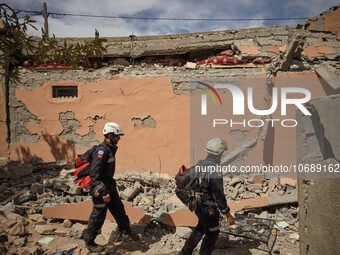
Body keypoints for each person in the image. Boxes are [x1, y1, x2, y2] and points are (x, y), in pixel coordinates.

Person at [179, 138, 235, 255]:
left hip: (198, 205)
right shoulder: (215, 171)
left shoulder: (200, 164)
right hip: (209, 209)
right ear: (219, 154)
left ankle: (184, 253)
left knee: (200, 228)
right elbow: (218, 195)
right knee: (212, 234)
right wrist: (228, 214)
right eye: (222, 152)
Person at [83, 122, 132, 253]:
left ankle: (125, 232)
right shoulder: (102, 150)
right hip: (101, 189)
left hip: (109, 186)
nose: (119, 138)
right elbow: (94, 174)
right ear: (110, 135)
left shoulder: (110, 149)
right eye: (117, 136)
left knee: (119, 209)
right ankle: (89, 242)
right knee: (98, 215)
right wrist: (103, 191)